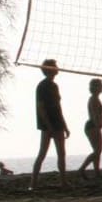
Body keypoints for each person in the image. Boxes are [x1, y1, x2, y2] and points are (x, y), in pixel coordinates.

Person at [30, 58, 70, 191]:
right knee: (42, 154)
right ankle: (33, 184)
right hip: (47, 125)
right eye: (54, 66)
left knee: (61, 154)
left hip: (57, 123)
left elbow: (58, 107)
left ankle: (63, 182)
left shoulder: (54, 86)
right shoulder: (42, 86)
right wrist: (49, 126)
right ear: (49, 69)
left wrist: (65, 126)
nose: (57, 68)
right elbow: (41, 108)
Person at [78, 78, 102, 179]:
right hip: (92, 126)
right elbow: (94, 114)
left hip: (94, 126)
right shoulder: (93, 99)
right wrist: (97, 125)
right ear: (96, 87)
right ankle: (82, 169)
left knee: (97, 151)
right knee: (97, 151)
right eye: (101, 85)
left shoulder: (96, 98)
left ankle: (97, 172)